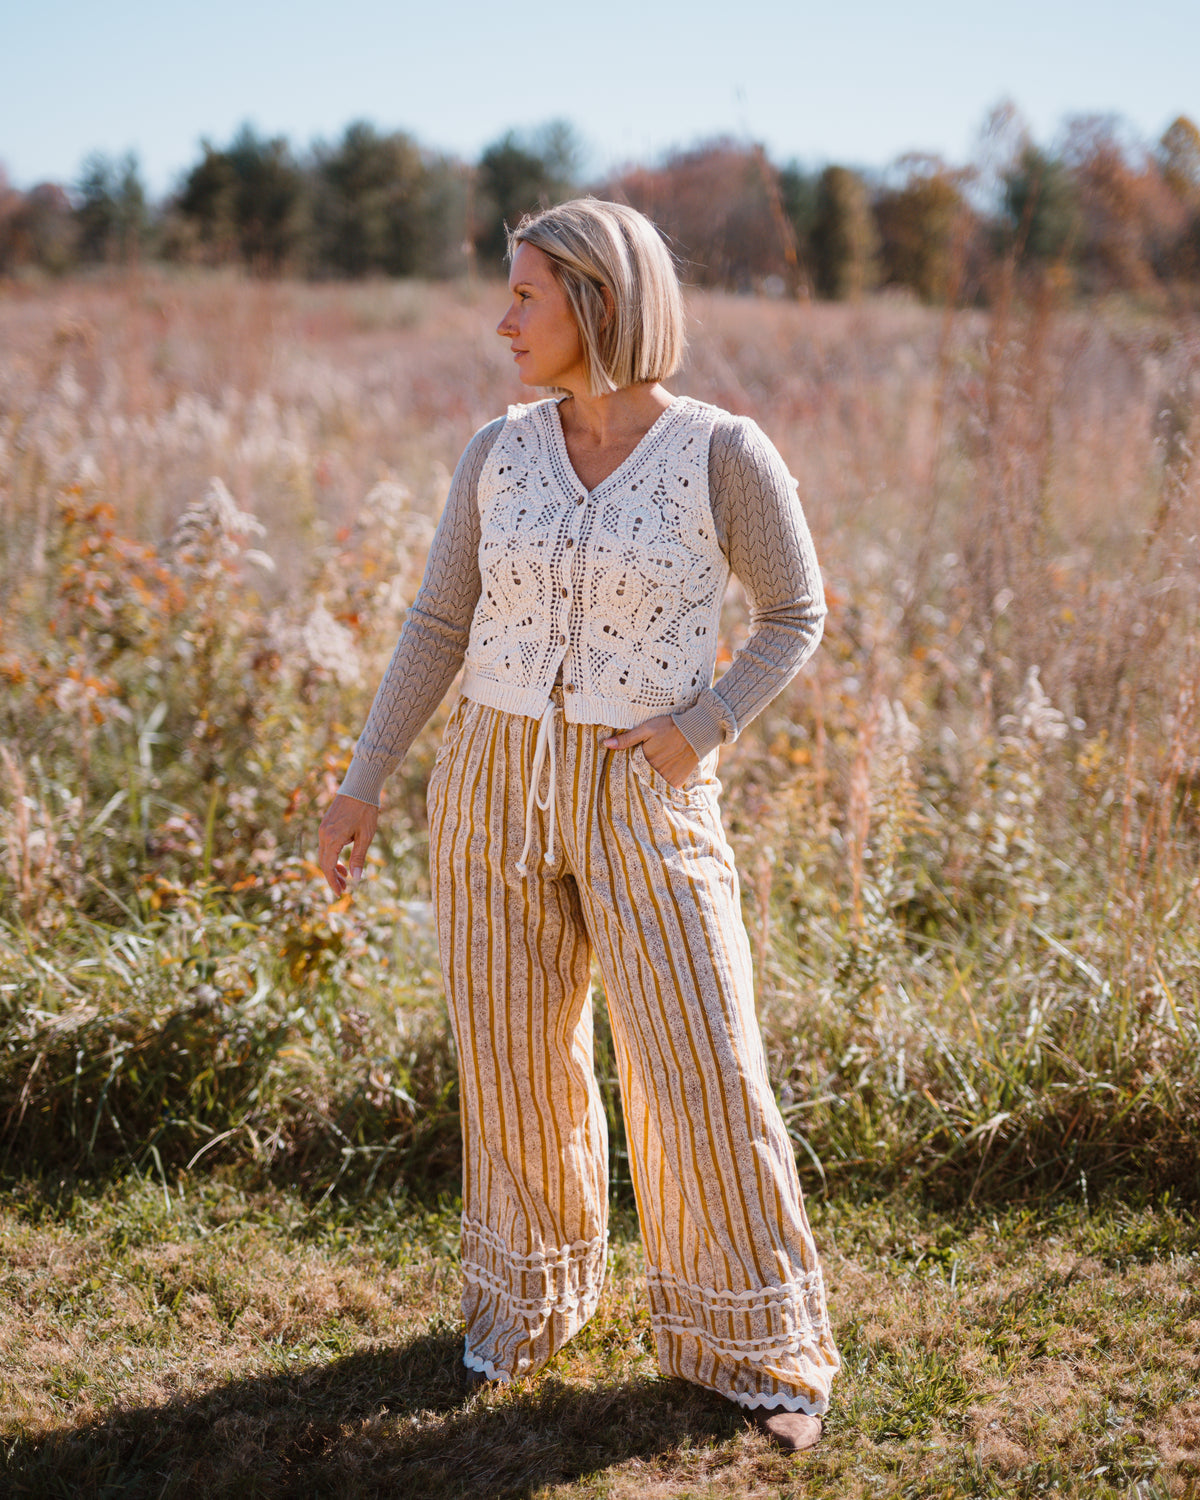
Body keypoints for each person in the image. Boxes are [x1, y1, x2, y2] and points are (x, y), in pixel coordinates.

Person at [318, 198, 840, 1453]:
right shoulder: (498, 450)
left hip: (645, 787)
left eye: (525, 298)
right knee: (512, 1064)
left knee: (701, 1062)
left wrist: (702, 724)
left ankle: (760, 1350)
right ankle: (529, 1310)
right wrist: (363, 777)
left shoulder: (722, 451)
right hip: (492, 776)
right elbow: (438, 624)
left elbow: (796, 613)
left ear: (597, 305)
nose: (503, 321)